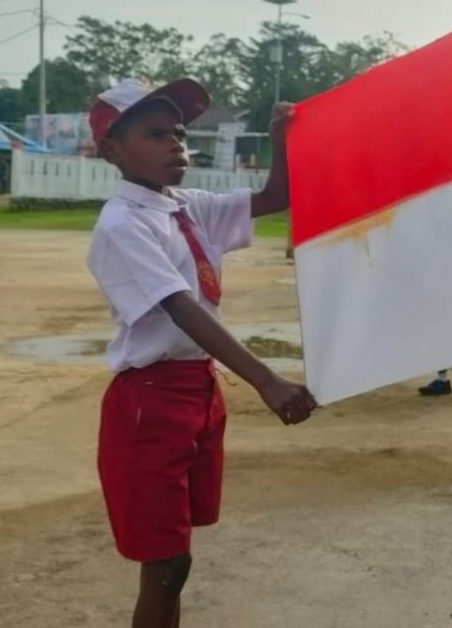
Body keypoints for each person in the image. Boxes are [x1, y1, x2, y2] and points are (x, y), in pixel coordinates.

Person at [87, 78, 318, 628]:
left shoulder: (187, 207)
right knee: (164, 562)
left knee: (178, 560)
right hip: (151, 403)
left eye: (180, 133)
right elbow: (181, 307)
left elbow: (273, 198)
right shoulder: (123, 223)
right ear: (113, 150)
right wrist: (267, 380)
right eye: (155, 134)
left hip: (197, 390)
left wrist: (283, 140)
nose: (176, 144)